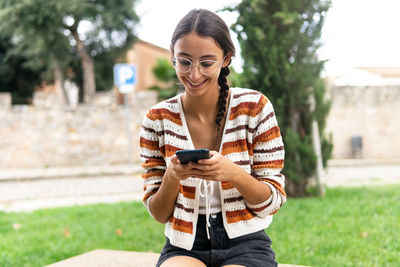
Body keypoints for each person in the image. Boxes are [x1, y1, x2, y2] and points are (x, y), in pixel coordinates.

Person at [139, 8, 286, 267]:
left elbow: (271, 202)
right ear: (172, 55)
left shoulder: (255, 107)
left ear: (226, 59)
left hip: (246, 243)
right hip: (184, 245)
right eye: (184, 62)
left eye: (206, 63)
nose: (194, 75)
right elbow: (159, 213)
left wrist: (232, 173)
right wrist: (172, 176)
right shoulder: (156, 119)